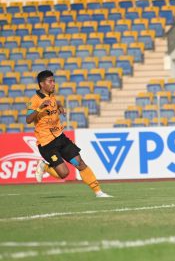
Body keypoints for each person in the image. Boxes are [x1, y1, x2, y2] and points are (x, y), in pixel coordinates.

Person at [26, 70, 112, 198]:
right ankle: (45, 166)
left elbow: (55, 103)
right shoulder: (34, 100)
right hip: (46, 144)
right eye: (50, 81)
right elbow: (28, 120)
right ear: (42, 84)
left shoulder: (51, 96)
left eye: (53, 81)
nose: (53, 83)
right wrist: (39, 108)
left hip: (60, 138)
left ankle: (98, 192)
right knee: (64, 173)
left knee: (80, 163)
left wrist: (60, 106)